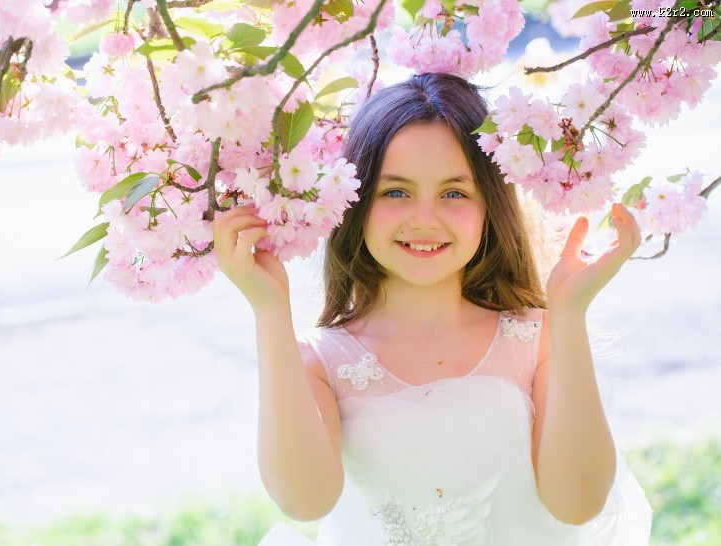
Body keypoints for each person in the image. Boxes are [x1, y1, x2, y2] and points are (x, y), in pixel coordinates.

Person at [213, 73, 653, 545]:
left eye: (454, 193)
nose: (424, 220)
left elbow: (579, 502)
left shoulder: (535, 340)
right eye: (395, 192)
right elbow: (304, 501)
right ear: (355, 202)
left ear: (490, 205)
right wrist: (269, 310)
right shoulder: (322, 363)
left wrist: (568, 314)